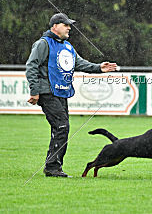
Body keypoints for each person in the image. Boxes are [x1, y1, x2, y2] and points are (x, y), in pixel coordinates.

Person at [26, 13, 117, 177]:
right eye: (65, 24)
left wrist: (98, 68)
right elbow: (31, 66)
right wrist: (35, 91)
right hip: (47, 91)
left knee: (61, 127)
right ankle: (52, 167)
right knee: (62, 126)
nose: (69, 28)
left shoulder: (67, 46)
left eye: (69, 25)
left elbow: (79, 63)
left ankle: (54, 166)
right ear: (54, 26)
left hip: (61, 91)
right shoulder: (43, 44)